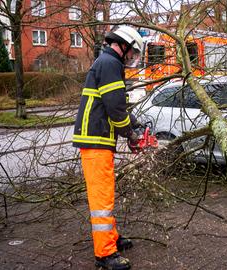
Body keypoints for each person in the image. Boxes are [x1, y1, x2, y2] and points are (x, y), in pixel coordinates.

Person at [72, 25, 143, 270]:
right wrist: (132, 135)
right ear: (122, 46)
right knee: (102, 199)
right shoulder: (111, 64)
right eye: (132, 52)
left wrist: (135, 124)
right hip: (96, 141)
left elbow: (116, 105)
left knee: (106, 195)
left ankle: (111, 239)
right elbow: (115, 110)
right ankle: (105, 254)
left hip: (98, 140)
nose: (132, 57)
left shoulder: (107, 62)